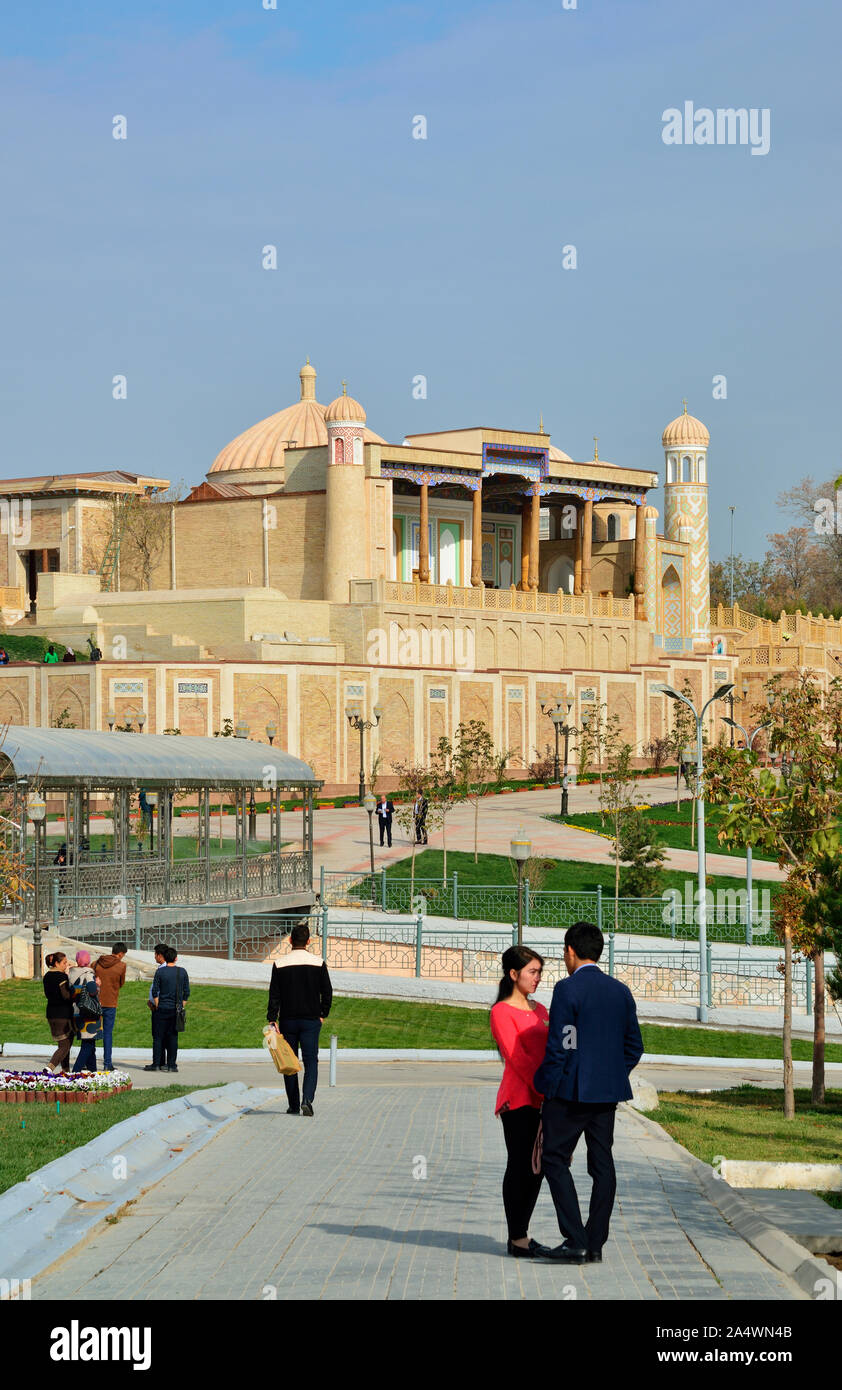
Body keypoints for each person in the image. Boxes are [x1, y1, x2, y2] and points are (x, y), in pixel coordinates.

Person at [534, 920, 644, 1265]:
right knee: (602, 1166)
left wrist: (545, 1087)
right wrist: (609, 1075)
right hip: (606, 1097)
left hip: (570, 1093)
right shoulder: (620, 991)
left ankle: (575, 1239)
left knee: (552, 1158)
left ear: (570, 951)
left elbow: (562, 1044)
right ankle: (595, 1242)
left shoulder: (567, 989)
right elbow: (634, 1047)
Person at [489, 946, 551, 1258]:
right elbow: (518, 1058)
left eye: (540, 972)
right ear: (514, 975)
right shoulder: (501, 1012)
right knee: (520, 1167)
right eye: (533, 972)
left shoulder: (541, 1011)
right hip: (519, 1100)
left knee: (537, 1168)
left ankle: (522, 1234)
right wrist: (545, 1090)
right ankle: (517, 1239)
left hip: (545, 1098)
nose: (538, 978)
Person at [266, 922, 332, 1117]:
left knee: (289, 1061)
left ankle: (293, 1104)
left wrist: (272, 1018)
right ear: (309, 941)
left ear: (290, 940)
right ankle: (307, 1100)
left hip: (288, 1020)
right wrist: (322, 1014)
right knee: (311, 1061)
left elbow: (274, 995)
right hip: (311, 1020)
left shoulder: (279, 964)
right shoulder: (318, 963)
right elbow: (327, 992)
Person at [147, 946, 189, 1072]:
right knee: (173, 1037)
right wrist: (182, 1005)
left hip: (162, 1008)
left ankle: (156, 1063)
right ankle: (171, 1064)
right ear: (176, 958)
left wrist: (157, 1003)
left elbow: (155, 991)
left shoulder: (160, 972)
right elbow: (186, 992)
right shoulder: (182, 972)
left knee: (158, 1037)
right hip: (175, 1008)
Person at [95, 942, 127, 1072]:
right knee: (108, 1033)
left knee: (91, 1033)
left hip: (95, 1002)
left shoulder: (97, 963)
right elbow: (121, 983)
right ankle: (107, 1063)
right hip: (111, 1002)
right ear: (120, 954)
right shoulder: (121, 965)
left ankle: (86, 1060)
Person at [68, 949, 102, 1073]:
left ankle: (93, 1071)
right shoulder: (88, 974)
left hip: (77, 1011)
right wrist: (98, 985)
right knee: (88, 1044)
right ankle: (75, 1072)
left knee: (90, 1043)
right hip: (90, 1013)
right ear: (88, 961)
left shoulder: (71, 974)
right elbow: (93, 991)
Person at [43, 951, 74, 1073]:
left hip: (51, 1013)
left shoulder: (47, 976)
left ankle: (66, 1071)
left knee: (65, 1043)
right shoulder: (61, 977)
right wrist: (75, 994)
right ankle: (49, 1068)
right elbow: (66, 996)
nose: (66, 965)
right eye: (64, 962)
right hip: (62, 1014)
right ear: (56, 963)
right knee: (65, 1045)